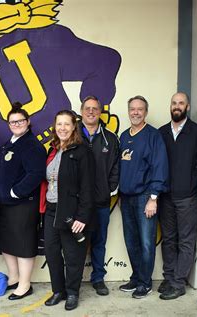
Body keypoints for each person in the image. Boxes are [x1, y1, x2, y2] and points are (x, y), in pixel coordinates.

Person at [40, 110, 95, 311]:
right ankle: (58, 291)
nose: (62, 128)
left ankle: (72, 293)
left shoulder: (82, 152)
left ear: (74, 127)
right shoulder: (52, 150)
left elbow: (89, 187)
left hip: (71, 213)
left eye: (66, 124)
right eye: (59, 124)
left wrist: (82, 216)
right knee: (52, 253)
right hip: (51, 210)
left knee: (73, 256)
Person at [157, 92, 197, 300]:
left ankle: (178, 283)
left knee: (186, 241)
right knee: (168, 239)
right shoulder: (161, 133)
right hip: (166, 196)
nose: (177, 106)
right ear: (170, 106)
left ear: (187, 107)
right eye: (174, 103)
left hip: (188, 197)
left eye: (181, 103)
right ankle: (169, 277)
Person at [118, 95, 169, 299]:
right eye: (132, 109)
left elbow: (160, 167)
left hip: (145, 197)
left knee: (147, 242)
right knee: (131, 241)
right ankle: (137, 277)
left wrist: (153, 198)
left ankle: (145, 283)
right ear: (129, 111)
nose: (136, 112)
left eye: (140, 109)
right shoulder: (123, 136)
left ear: (145, 112)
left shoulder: (153, 136)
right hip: (126, 197)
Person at [0, 103, 46, 300]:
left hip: (24, 203)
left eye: (20, 121)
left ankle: (25, 285)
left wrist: (16, 192)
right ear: (8, 124)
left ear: (28, 122)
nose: (16, 124)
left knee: (23, 243)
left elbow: (36, 174)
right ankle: (14, 277)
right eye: (12, 121)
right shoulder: (10, 143)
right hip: (6, 204)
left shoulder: (32, 145)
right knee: (7, 242)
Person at [78, 96, 119, 296]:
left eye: (95, 108)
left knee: (99, 242)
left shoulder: (109, 138)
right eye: (88, 108)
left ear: (100, 111)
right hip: (76, 204)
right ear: (81, 110)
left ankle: (98, 278)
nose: (91, 112)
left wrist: (108, 189)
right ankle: (73, 280)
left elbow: (116, 168)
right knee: (74, 243)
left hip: (101, 202)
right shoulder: (72, 135)